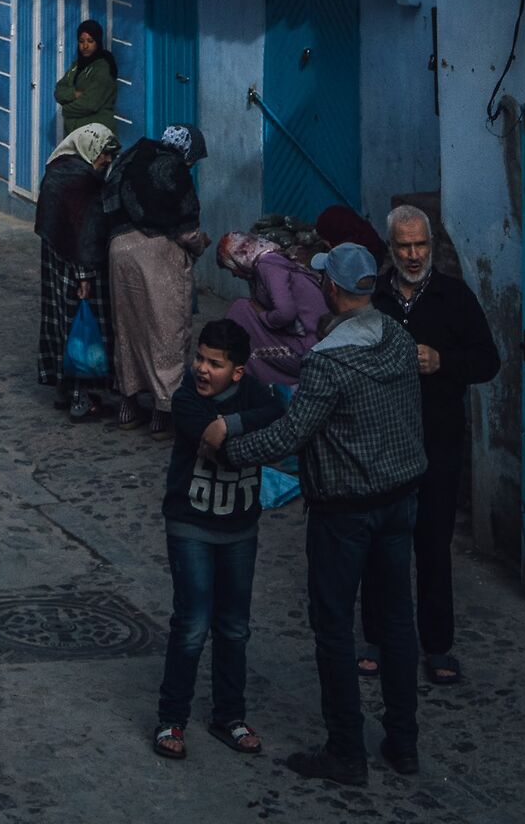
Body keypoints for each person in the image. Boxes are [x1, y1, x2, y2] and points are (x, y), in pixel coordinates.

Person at [203, 242, 426, 786]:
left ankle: (347, 751)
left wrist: (227, 446)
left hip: (345, 509)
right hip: (399, 500)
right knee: (397, 623)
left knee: (333, 627)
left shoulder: (328, 360)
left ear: (331, 288)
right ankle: (403, 742)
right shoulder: (397, 338)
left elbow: (290, 433)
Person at [361, 205, 500, 689]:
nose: (414, 255)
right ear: (390, 248)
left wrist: (443, 361)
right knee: (379, 543)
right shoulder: (373, 296)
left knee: (433, 547)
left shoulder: (453, 297)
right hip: (381, 440)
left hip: (437, 442)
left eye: (421, 245)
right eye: (404, 246)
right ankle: (376, 639)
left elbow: (488, 361)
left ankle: (438, 645)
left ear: (432, 246)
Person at [154, 318, 282, 763]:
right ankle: (171, 718)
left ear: (239, 371)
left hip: (240, 530)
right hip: (190, 525)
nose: (203, 369)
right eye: (200, 359)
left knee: (234, 627)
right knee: (191, 624)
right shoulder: (187, 399)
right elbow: (220, 441)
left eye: (215, 363)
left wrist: (229, 424)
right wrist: (238, 431)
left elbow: (279, 416)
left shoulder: (254, 395)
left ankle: (229, 716)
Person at [105, 125, 210, 434]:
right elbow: (183, 227)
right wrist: (200, 243)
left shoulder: (131, 157)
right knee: (167, 330)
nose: (191, 165)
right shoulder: (172, 168)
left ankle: (128, 404)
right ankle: (164, 410)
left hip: (119, 252)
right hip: (158, 255)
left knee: (129, 328)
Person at [34, 121, 118, 420]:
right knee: (81, 328)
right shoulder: (82, 180)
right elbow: (84, 230)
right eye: (104, 154)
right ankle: (82, 399)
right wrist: (84, 276)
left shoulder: (58, 168)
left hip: (55, 259)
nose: (106, 161)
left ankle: (64, 389)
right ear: (89, 148)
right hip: (77, 267)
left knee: (61, 323)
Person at [218, 227, 330, 388]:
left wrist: (262, 314)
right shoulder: (273, 261)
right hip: (313, 342)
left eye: (231, 269)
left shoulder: (268, 265)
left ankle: (241, 381)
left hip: (308, 350)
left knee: (241, 310)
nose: (235, 275)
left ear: (238, 258)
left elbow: (286, 313)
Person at [54, 20, 118, 137]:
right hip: (77, 135)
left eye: (90, 41)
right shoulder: (77, 66)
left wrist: (65, 110)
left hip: (97, 136)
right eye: (81, 41)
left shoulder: (103, 68)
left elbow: (89, 104)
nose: (85, 46)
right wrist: (74, 94)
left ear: (97, 42)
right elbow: (59, 90)